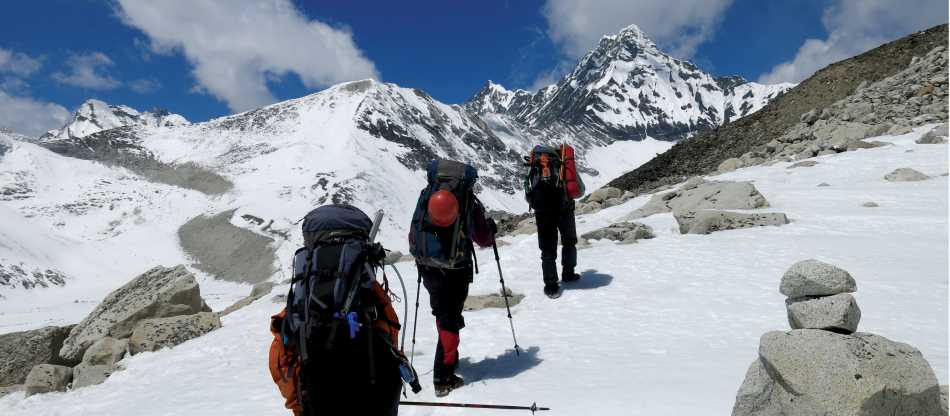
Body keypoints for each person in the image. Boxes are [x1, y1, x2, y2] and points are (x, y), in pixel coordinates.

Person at [408, 159, 497, 396]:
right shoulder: (467, 200)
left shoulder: (427, 195)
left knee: (442, 312)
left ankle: (451, 357)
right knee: (450, 318)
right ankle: (443, 376)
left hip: (426, 265)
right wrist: (491, 229)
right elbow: (484, 239)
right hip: (455, 269)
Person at [523, 145, 582, 298]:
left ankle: (551, 285)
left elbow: (528, 191)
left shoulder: (534, 166)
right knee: (569, 241)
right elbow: (578, 188)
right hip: (564, 207)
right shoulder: (561, 163)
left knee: (547, 249)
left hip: (543, 212)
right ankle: (568, 273)